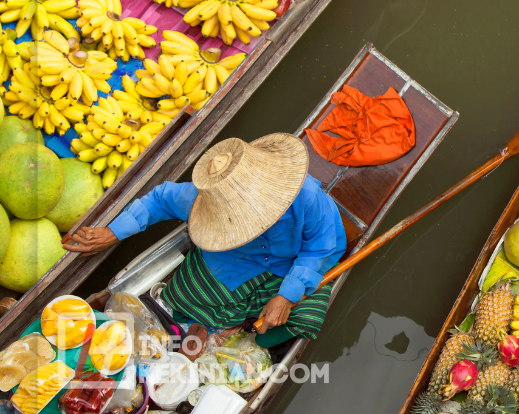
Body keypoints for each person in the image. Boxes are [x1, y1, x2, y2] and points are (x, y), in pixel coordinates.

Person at [65, 133, 347, 349]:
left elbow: (320, 248)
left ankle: (244, 327)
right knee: (184, 298)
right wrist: (113, 232)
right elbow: (159, 199)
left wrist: (286, 296)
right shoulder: (204, 200)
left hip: (295, 262)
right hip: (236, 258)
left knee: (306, 315)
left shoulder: (307, 197)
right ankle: (230, 323)